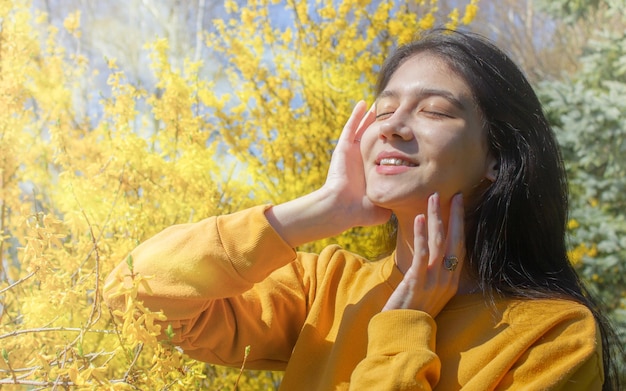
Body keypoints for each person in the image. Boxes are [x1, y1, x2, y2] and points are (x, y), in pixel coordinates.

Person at [104, 28, 620, 390]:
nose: (394, 125)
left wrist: (406, 323)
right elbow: (135, 294)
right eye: (384, 109)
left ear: (496, 157)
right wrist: (320, 210)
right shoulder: (325, 286)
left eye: (434, 110)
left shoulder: (552, 335)